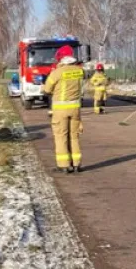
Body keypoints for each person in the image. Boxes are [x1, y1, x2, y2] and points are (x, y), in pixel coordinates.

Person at [43, 45, 85, 173]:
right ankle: (77, 164)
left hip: (60, 110)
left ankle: (64, 165)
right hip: (75, 109)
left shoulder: (57, 72)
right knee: (74, 136)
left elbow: (47, 89)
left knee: (61, 136)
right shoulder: (79, 71)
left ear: (61, 58)